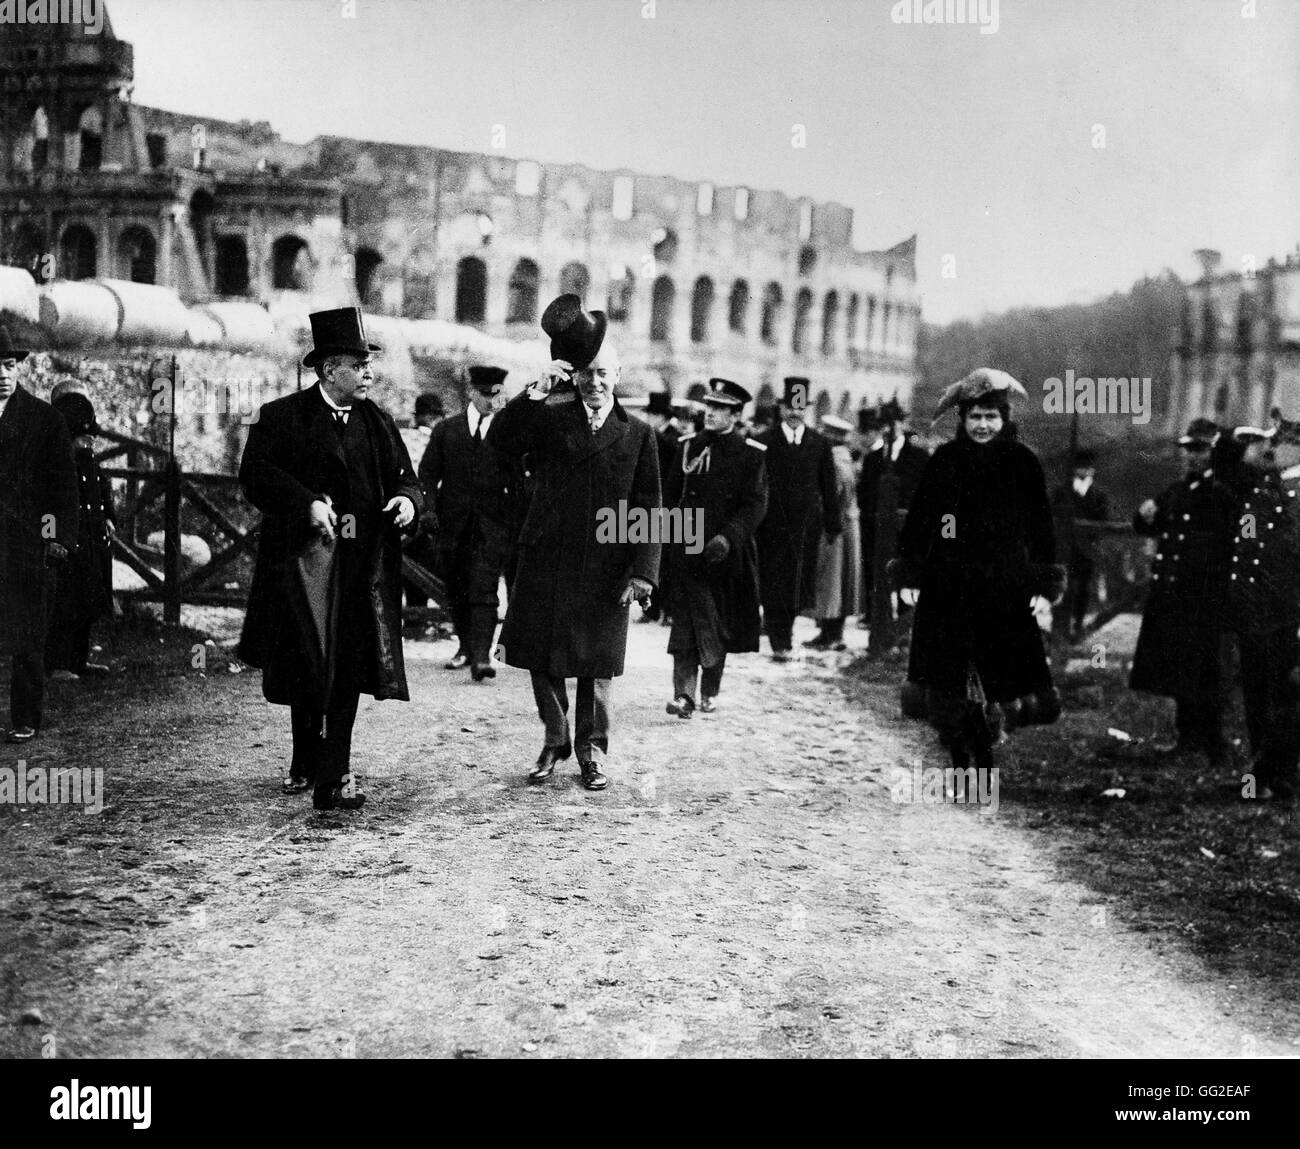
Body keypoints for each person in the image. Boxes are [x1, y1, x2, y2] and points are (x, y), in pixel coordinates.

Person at [238, 308, 423, 811]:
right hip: (301, 567)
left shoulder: (378, 422)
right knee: (308, 665)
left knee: (350, 666)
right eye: (359, 365)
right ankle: (308, 758)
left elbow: (407, 477)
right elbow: (255, 475)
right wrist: (307, 503)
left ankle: (333, 773)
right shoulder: (280, 417)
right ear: (327, 371)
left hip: (361, 570)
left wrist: (407, 501)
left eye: (369, 365)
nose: (369, 374)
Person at [487, 294, 661, 791]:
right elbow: (500, 442)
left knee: (596, 663)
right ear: (573, 375)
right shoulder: (548, 416)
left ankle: (590, 752)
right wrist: (531, 394)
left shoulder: (638, 435)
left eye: (604, 373)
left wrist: (644, 572)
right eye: (586, 373)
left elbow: (651, 507)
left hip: (607, 563)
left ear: (618, 375)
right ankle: (554, 737)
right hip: (547, 556)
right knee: (541, 656)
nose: (595, 382)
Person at [891, 369, 1064, 772]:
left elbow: (1041, 526)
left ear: (1003, 419)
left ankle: (987, 747)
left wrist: (1043, 580)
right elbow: (922, 520)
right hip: (948, 581)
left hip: (1003, 583)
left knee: (998, 671)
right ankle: (957, 752)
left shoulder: (1022, 463)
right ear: (963, 420)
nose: (983, 426)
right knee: (948, 674)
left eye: (991, 417)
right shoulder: (945, 461)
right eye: (975, 418)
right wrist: (911, 574)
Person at [1129, 418, 1235, 765]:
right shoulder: (1178, 490)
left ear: (1214, 453)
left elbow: (1229, 549)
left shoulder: (1222, 495)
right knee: (1179, 669)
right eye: (1189, 450)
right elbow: (1151, 521)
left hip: (1202, 598)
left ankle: (1213, 744)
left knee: (1205, 671)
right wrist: (1144, 515)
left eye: (1200, 450)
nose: (1192, 457)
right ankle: (1189, 740)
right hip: (1173, 596)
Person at [663, 377, 768, 717]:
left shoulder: (751, 455)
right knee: (685, 626)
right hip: (686, 550)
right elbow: (670, 495)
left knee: (716, 625)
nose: (710, 413)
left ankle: (709, 690)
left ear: (736, 415)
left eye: (720, 409)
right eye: (709, 406)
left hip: (725, 556)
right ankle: (683, 696)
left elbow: (755, 505)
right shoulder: (689, 446)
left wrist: (727, 537)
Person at [0, 326, 80, 742]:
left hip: (27, 544)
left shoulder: (44, 419)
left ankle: (25, 717)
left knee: (28, 633)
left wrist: (59, 538)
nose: (2, 373)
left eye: (9, 364)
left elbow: (64, 485)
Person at [417, 365, 515, 681]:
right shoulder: (447, 430)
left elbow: (519, 479)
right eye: (485, 394)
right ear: (472, 392)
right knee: (456, 588)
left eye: (496, 395)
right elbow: (429, 474)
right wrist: (428, 510)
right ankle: (466, 646)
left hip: (493, 525)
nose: (491, 401)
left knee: (485, 589)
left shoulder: (507, 431)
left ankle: (483, 656)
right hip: (452, 525)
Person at [1222, 419, 1300, 799]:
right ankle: (1263, 780)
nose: (1271, 450)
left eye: (1279, 443)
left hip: (1288, 615)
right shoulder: (1263, 488)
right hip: (1256, 612)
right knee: (1256, 696)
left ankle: (1277, 775)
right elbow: (1247, 547)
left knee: (1285, 698)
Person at [754, 376, 840, 661]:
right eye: (790, 407)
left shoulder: (819, 443)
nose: (794, 413)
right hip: (771, 526)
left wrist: (832, 523)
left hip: (806, 527)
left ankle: (785, 633)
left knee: (797, 583)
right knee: (773, 579)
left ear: (807, 410)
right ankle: (779, 638)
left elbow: (828, 485)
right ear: (781, 408)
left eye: (800, 407)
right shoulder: (764, 441)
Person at [46, 391, 116, 680]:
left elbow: (102, 495)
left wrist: (109, 519)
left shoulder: (89, 463)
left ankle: (79, 660)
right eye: (83, 438)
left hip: (90, 545)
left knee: (87, 603)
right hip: (65, 547)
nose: (90, 442)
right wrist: (49, 538)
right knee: (64, 606)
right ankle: (57, 664)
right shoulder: (52, 465)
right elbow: (42, 504)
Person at [857, 398, 929, 621]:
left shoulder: (918, 457)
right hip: (877, 527)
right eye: (885, 425)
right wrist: (871, 517)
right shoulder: (872, 459)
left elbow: (924, 492)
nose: (889, 429)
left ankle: (905, 617)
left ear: (901, 424)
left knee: (905, 571)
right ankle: (874, 616)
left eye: (893, 424)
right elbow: (864, 493)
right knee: (876, 570)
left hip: (907, 526)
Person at [807, 415, 862, 650]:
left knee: (833, 581)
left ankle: (832, 634)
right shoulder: (845, 459)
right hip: (846, 525)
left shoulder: (836, 462)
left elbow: (834, 496)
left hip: (836, 528)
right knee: (838, 580)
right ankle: (829, 632)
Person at [1051, 447, 1112, 640]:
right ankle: (1060, 625)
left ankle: (1078, 622)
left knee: (1083, 587)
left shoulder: (1099, 495)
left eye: (1088, 467)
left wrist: (1092, 541)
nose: (1084, 471)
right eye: (1080, 467)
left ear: (1093, 470)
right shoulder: (1062, 491)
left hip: (1088, 550)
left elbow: (1102, 522)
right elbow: (1052, 516)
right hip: (1064, 549)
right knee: (1062, 585)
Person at [401, 390, 445, 627]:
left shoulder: (402, 437)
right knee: (426, 563)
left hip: (403, 514)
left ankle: (414, 620)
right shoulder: (440, 438)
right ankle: (428, 618)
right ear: (437, 417)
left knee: (406, 563)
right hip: (430, 515)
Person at [637, 390, 679, 624]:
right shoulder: (649, 435)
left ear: (663, 417)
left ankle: (667, 610)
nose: (650, 419)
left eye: (654, 415)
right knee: (647, 558)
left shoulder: (672, 438)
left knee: (665, 561)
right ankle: (650, 610)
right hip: (648, 505)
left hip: (667, 507)